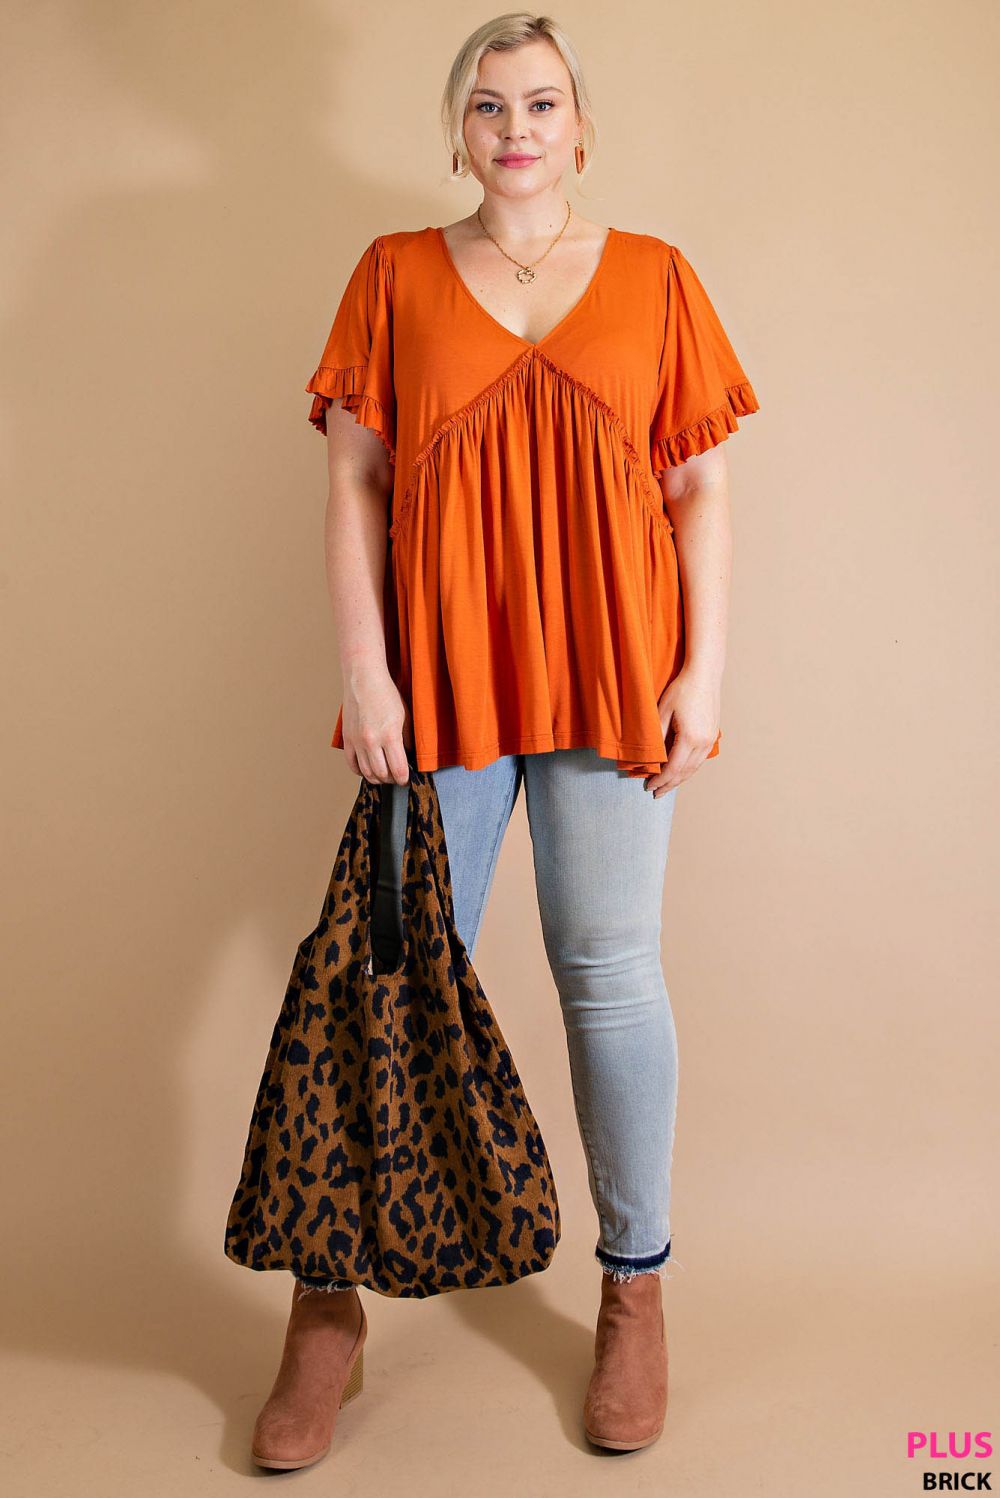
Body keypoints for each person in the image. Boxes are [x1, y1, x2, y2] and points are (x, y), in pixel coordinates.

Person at [250, 10, 759, 1470]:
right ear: (459, 130)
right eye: (488, 105)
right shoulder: (394, 273)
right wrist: (369, 671)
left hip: (614, 672)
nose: (516, 128)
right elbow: (355, 483)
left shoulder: (658, 277)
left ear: (581, 126)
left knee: (610, 973)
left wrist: (702, 672)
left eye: (541, 103)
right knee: (385, 976)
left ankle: (635, 1289)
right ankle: (328, 1305)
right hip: (440, 682)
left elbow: (700, 491)